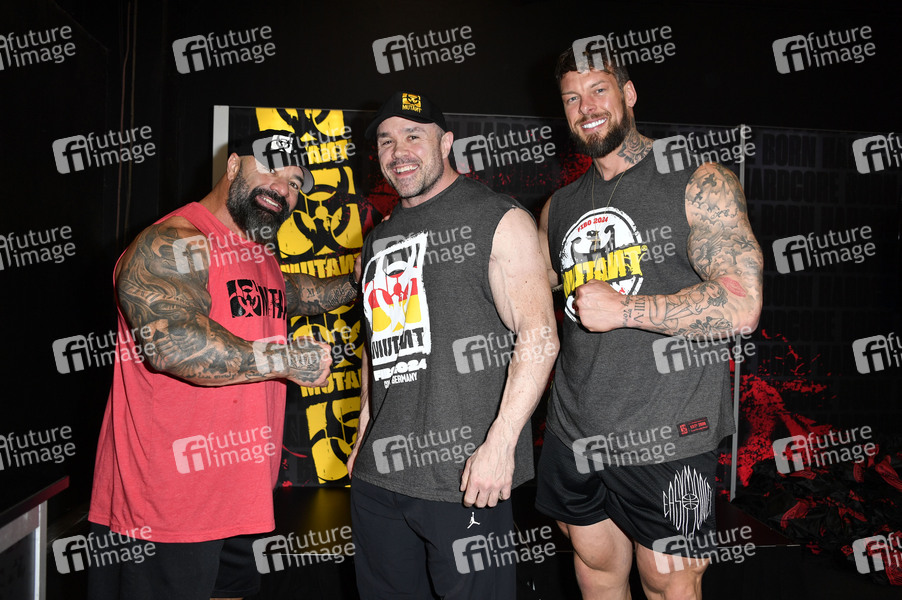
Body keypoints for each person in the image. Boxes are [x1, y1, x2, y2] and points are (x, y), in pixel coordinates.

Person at [87, 129, 359, 600]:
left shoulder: (257, 254)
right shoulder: (174, 241)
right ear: (233, 165)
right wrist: (284, 359)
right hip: (165, 510)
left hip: (239, 502)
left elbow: (297, 293)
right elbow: (170, 344)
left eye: (295, 182)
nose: (282, 187)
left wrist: (356, 281)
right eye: (270, 168)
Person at [534, 49, 763, 600]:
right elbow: (526, 304)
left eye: (599, 89)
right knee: (594, 570)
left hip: (668, 433)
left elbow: (742, 305)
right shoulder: (558, 208)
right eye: (572, 97)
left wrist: (626, 310)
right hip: (574, 431)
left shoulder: (698, 181)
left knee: (669, 581)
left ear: (629, 94)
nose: (586, 107)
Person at [346, 91, 559, 599]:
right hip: (379, 477)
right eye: (386, 140)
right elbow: (377, 344)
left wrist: (501, 445)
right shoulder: (378, 238)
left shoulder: (498, 218)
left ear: (446, 143)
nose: (399, 151)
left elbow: (540, 336)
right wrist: (363, 435)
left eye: (413, 135)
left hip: (465, 479)